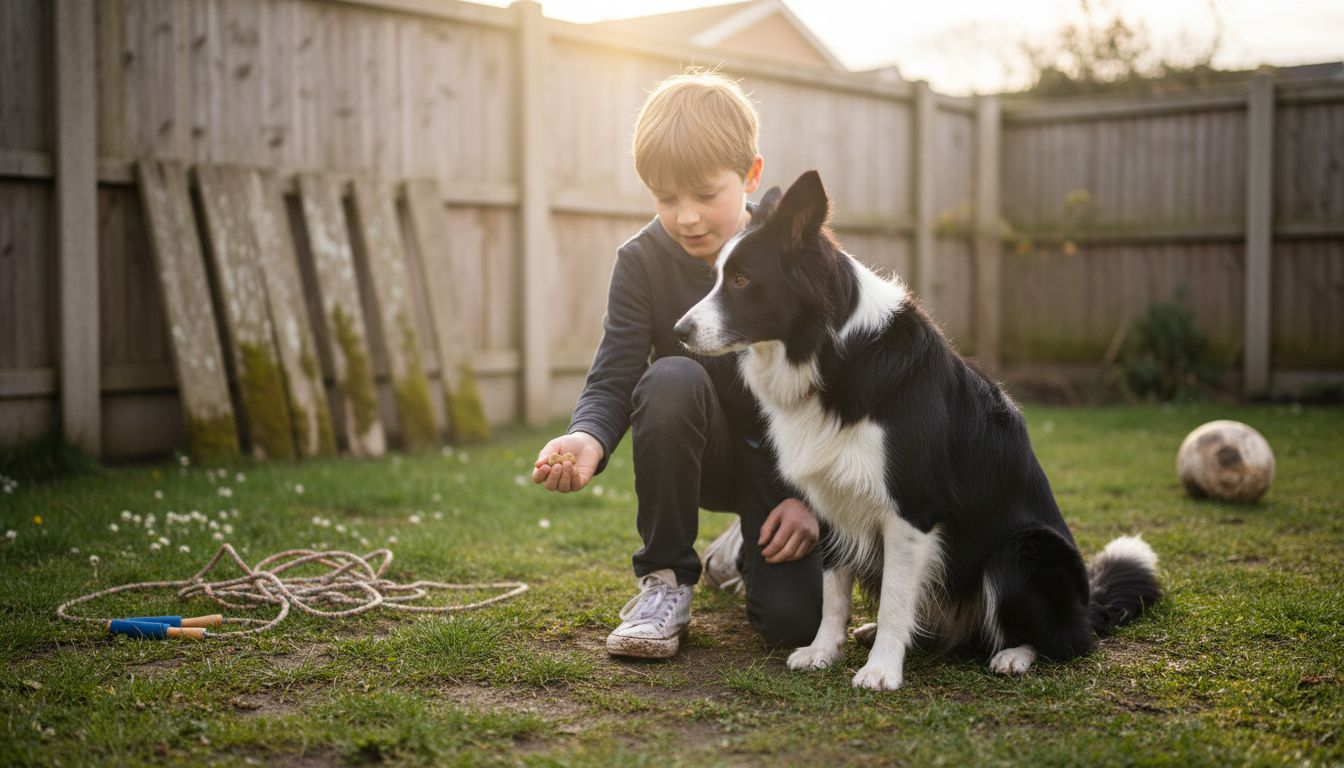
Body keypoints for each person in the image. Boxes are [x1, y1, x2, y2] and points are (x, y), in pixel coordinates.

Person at [530, 69, 823, 659]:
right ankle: (665, 583)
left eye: (705, 195)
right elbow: (614, 370)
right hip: (702, 455)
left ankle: (740, 545)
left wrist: (815, 499)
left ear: (751, 176)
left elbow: (832, 389)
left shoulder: (790, 255)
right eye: (667, 198)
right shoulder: (641, 262)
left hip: (787, 467)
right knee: (669, 375)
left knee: (793, 624)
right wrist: (588, 436)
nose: (685, 216)